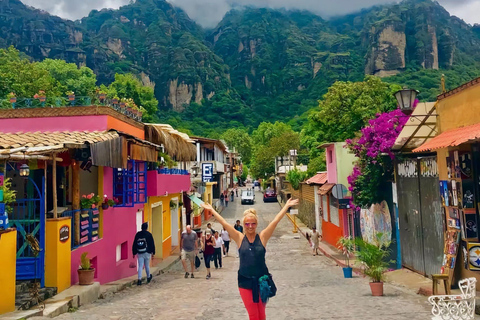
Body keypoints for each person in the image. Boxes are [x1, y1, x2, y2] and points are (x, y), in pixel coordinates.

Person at [201, 198, 299, 320]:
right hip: (245, 282)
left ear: (256, 224)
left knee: (261, 314)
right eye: (247, 224)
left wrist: (286, 206)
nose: (250, 226)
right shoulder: (239, 238)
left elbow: (275, 221)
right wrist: (212, 210)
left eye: (253, 223)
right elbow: (225, 223)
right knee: (253, 315)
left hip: (262, 281)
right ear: (243, 225)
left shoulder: (262, 237)